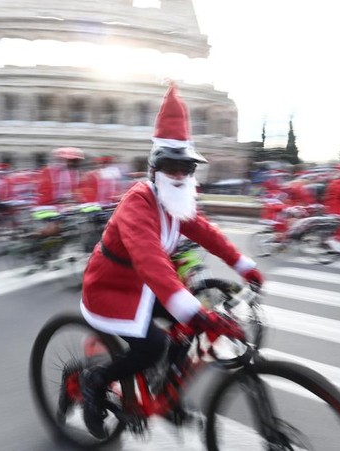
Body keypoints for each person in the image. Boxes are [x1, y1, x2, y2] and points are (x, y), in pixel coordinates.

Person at [77, 83, 264, 439]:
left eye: (186, 167)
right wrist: (191, 308)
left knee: (189, 329)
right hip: (112, 287)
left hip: (147, 287)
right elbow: (149, 258)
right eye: (171, 166)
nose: (179, 174)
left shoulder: (177, 201)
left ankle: (167, 396)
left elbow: (206, 232)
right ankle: (96, 379)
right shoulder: (138, 202)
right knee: (155, 345)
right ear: (154, 169)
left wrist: (243, 265)